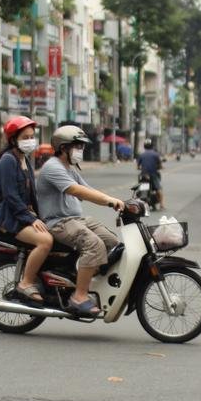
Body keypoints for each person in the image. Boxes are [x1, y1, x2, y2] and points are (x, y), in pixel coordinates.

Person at [36, 125, 124, 317]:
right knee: (94, 245)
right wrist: (110, 201)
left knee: (113, 243)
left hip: (76, 219)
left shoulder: (70, 168)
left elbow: (88, 189)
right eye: (77, 146)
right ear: (63, 147)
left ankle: (83, 276)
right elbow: (76, 190)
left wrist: (120, 203)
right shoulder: (52, 167)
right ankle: (79, 296)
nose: (80, 151)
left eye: (81, 147)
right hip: (58, 222)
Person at [0, 116, 51, 303]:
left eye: (32, 136)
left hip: (22, 216)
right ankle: (25, 283)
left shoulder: (26, 161)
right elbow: (10, 196)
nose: (30, 140)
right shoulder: (8, 161)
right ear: (13, 139)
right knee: (45, 241)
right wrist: (31, 219)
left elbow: (32, 196)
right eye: (25, 137)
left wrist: (42, 217)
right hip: (9, 220)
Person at [137, 138, 164, 211]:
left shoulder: (141, 155)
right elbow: (160, 166)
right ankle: (161, 205)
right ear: (152, 146)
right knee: (158, 189)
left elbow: (138, 167)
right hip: (153, 174)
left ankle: (140, 203)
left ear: (144, 146)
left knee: (140, 188)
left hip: (143, 175)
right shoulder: (156, 154)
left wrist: (142, 169)